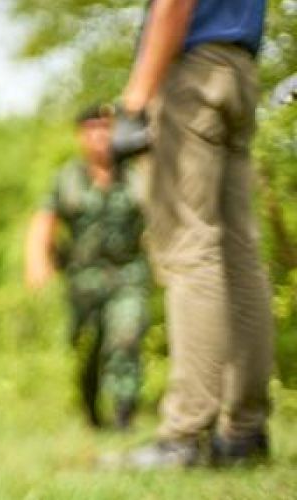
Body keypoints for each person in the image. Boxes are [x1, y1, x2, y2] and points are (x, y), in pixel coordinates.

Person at [107, 0, 275, 468]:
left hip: (193, 72)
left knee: (189, 249)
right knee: (239, 254)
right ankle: (245, 431)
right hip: (240, 67)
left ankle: (184, 435)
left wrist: (136, 101)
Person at [25, 105, 150, 432]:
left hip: (128, 274)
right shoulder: (68, 177)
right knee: (87, 348)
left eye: (107, 128)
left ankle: (124, 416)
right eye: (92, 129)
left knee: (126, 338)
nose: (100, 136)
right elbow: (44, 220)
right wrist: (37, 261)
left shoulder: (136, 175)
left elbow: (156, 217)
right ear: (81, 135)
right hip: (83, 279)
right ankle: (93, 412)